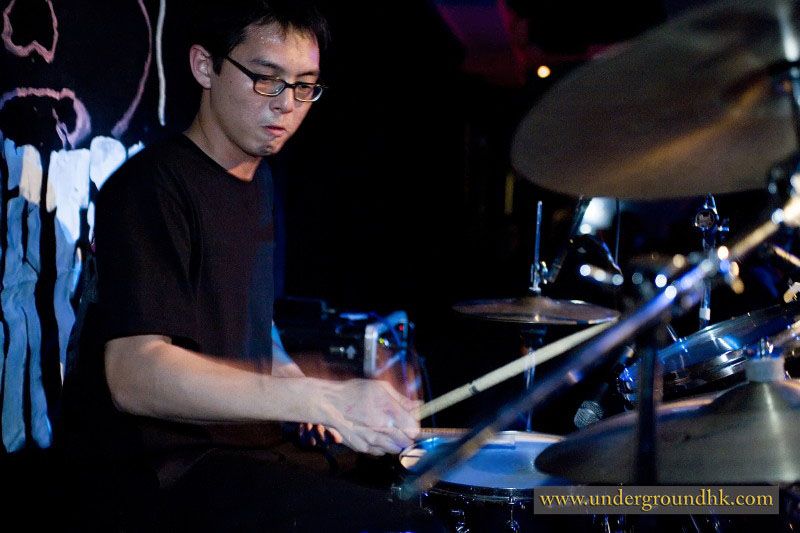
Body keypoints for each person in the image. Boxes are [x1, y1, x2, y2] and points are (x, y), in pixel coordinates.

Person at [61, 2, 440, 531]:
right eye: (266, 79)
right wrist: (317, 397)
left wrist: (292, 375)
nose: (286, 104)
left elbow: (249, 321)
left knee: (426, 487)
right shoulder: (151, 188)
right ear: (204, 67)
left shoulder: (260, 181)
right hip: (163, 472)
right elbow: (134, 374)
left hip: (240, 446)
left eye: (304, 85)